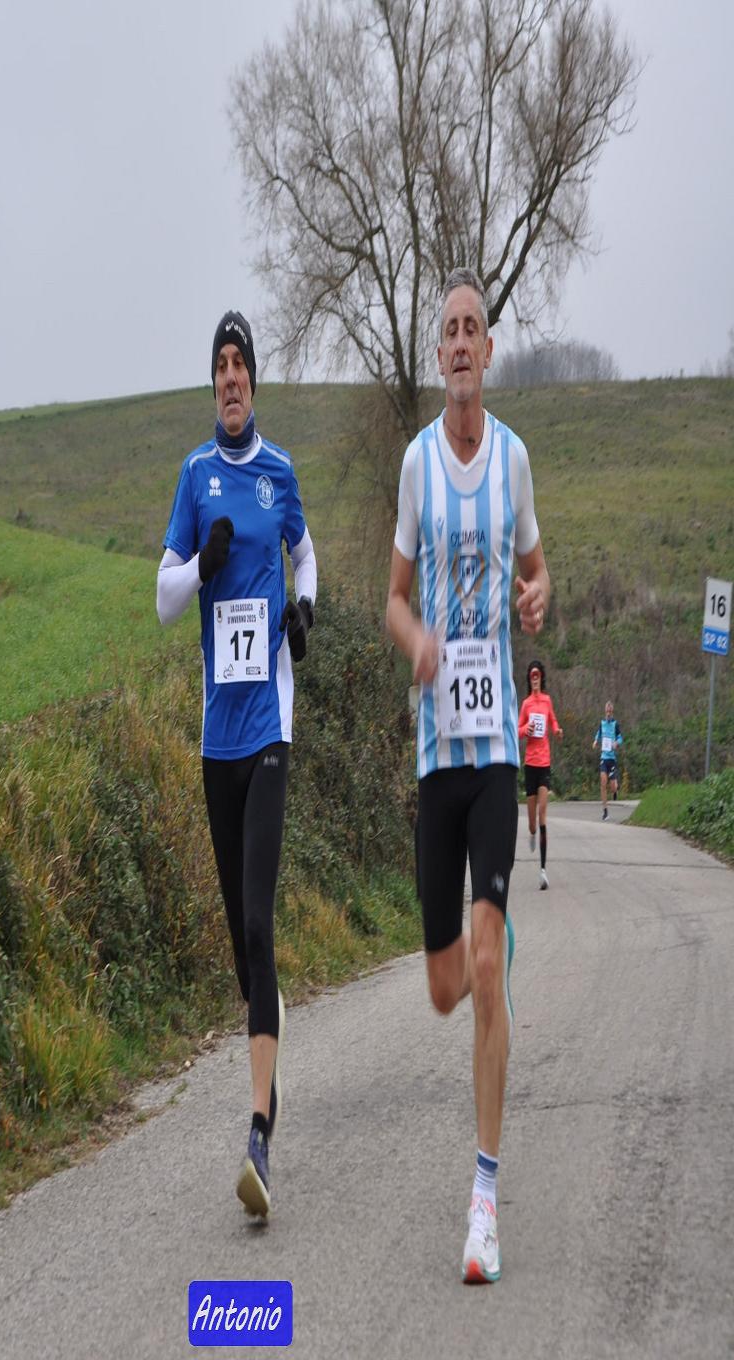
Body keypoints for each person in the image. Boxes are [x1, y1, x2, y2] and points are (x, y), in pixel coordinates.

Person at [385, 268, 550, 1284]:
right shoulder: (414, 464)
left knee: (487, 967)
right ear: (437, 352)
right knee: (447, 987)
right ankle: (478, 950)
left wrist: (536, 596)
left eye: (470, 329)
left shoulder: (514, 460)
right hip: (433, 752)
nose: (456, 343)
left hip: (491, 754)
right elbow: (393, 598)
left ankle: (483, 1201)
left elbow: (538, 572)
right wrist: (415, 641)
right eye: (446, 329)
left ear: (488, 353)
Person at [156, 310, 317, 1220]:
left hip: (269, 729)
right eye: (218, 364)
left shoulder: (278, 472)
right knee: (240, 949)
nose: (229, 377)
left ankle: (258, 1133)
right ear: (211, 383)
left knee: (259, 923)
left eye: (239, 364)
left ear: (254, 381)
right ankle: (269, 1040)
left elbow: (306, 556)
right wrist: (201, 563)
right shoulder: (194, 475)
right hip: (217, 739)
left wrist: (304, 608)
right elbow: (163, 599)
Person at [518, 659, 563, 890]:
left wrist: (557, 731)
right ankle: (532, 832)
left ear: (541, 677)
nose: (534, 677)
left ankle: (543, 871)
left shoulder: (547, 700)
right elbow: (517, 730)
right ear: (529, 679)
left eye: (537, 674)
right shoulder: (526, 704)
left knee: (542, 813)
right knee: (532, 824)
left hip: (544, 762)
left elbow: (553, 721)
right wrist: (526, 729)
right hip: (530, 765)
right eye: (531, 675)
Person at [593, 700, 623, 820]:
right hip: (604, 758)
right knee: (603, 783)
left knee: (613, 787)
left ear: (612, 712)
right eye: (607, 711)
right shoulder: (602, 723)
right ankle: (605, 811)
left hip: (612, 759)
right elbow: (598, 734)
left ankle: (615, 790)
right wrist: (595, 741)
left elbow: (620, 738)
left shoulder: (615, 724)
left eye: (610, 711)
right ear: (605, 711)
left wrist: (616, 743)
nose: (609, 713)